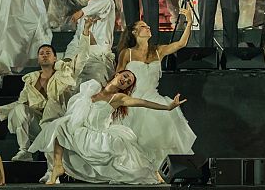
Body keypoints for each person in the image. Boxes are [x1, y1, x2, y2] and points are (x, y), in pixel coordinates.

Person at [36, 72, 187, 185]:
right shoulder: (93, 88)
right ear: (117, 74)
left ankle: (151, 173)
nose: (125, 80)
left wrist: (167, 107)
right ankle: (57, 166)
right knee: (59, 125)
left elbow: (142, 102)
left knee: (129, 168)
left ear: (126, 88)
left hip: (97, 136)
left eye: (128, 82)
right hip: (81, 130)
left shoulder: (118, 98)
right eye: (125, 76)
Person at [0, 23, 91, 163]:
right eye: (41, 54)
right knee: (20, 108)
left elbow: (82, 58)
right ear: (38, 59)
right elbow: (21, 103)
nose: (44, 56)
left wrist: (86, 31)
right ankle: (24, 151)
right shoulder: (31, 80)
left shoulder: (65, 74)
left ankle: (54, 160)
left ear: (55, 58)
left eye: (48, 53)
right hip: (38, 125)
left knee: (51, 104)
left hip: (58, 126)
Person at [115, 8, 196, 168]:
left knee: (161, 135)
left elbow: (181, 43)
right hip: (133, 101)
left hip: (154, 98)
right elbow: (117, 78)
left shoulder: (158, 51)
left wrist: (189, 22)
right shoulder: (127, 53)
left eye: (148, 26)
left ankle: (159, 171)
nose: (148, 28)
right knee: (135, 141)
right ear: (134, 32)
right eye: (143, 26)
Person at [65, 0, 116, 87]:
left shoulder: (108, 3)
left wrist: (82, 11)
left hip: (99, 58)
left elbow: (103, 3)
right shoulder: (82, 17)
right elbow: (77, 39)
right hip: (81, 59)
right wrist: (68, 57)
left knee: (95, 88)